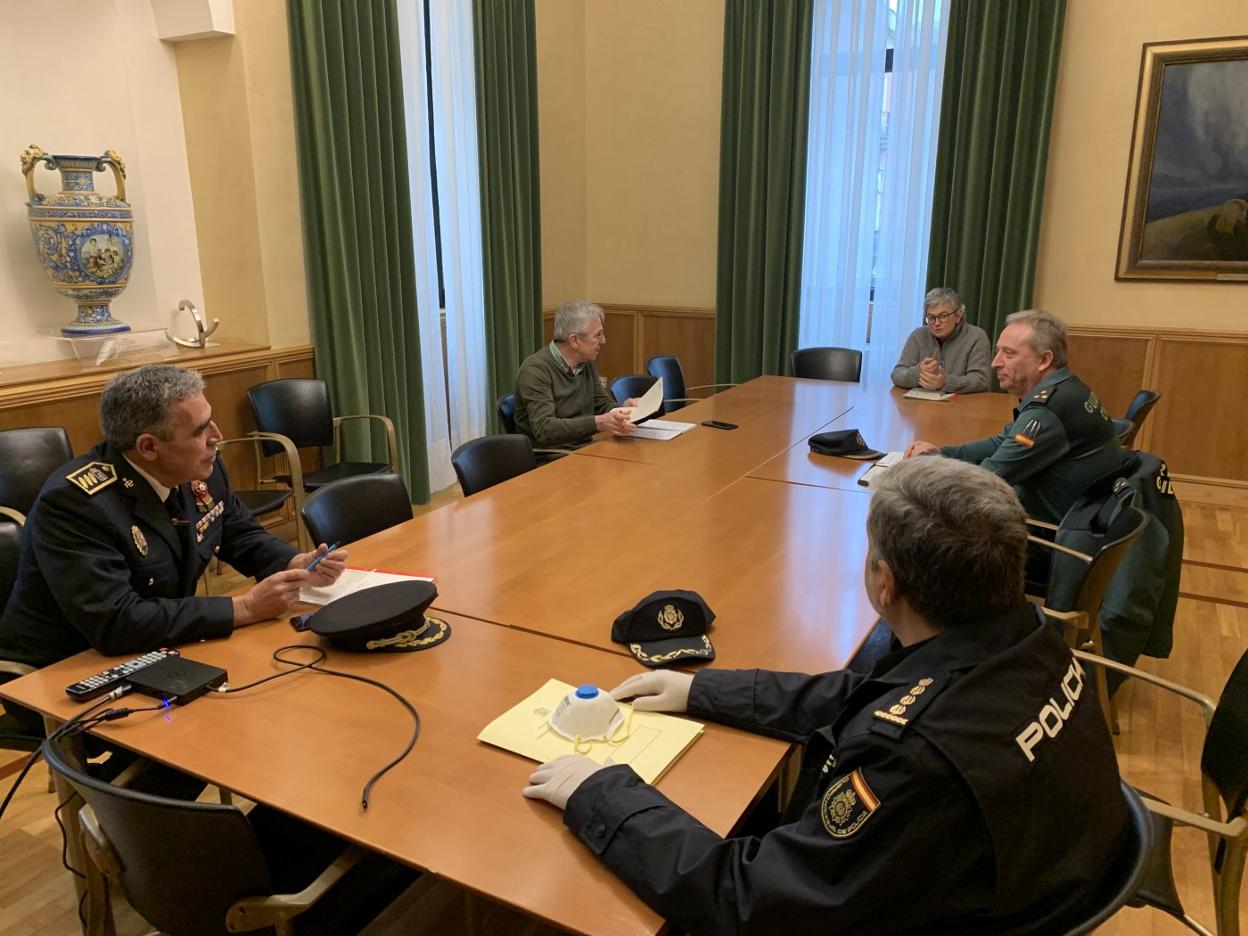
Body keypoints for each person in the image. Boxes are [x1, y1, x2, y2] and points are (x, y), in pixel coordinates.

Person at [522, 457, 1127, 934]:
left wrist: (600, 793)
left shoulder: (911, 760)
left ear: (884, 582)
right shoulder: (1027, 637)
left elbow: (748, 900)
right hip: (1015, 877)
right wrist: (702, 689)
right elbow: (868, 694)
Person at [0, 364, 347, 732]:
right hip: (60, 670)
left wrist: (296, 562)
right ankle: (105, 790)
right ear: (149, 446)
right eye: (201, 431)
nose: (218, 437)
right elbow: (117, 622)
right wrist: (243, 607)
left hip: (149, 648)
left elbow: (237, 531)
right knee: (206, 730)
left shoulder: (199, 466)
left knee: (254, 701)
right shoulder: (76, 503)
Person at [904, 309, 1121, 524]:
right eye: (998, 351)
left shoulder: (1047, 411)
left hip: (1039, 530)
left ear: (1044, 360)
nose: (995, 362)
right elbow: (1002, 442)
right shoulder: (1066, 386)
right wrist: (943, 453)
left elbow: (987, 478)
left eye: (1009, 354)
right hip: (1071, 512)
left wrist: (928, 466)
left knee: (918, 515)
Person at [513, 299, 636, 448]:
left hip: (584, 448)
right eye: (598, 335)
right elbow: (544, 429)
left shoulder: (586, 363)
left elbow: (601, 404)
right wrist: (598, 423)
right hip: (551, 458)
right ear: (574, 341)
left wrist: (623, 410)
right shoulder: (536, 370)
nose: (603, 341)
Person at [890, 287, 991, 393]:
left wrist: (944, 382)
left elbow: (981, 380)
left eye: (943, 316)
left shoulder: (976, 336)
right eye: (931, 317)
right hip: (923, 406)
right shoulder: (919, 335)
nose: (936, 323)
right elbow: (896, 374)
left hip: (962, 407)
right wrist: (918, 372)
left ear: (958, 316)